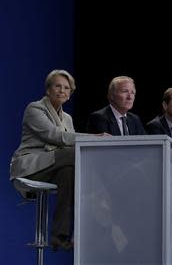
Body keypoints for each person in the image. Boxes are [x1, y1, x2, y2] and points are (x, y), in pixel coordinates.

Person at [10, 70, 105, 250]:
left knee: (68, 173)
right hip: (31, 166)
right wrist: (94, 138)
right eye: (58, 86)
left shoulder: (67, 118)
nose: (62, 90)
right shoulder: (35, 109)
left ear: (70, 94)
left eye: (66, 88)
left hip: (54, 165)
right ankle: (99, 218)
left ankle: (59, 236)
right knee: (78, 154)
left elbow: (66, 143)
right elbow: (56, 136)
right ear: (48, 90)